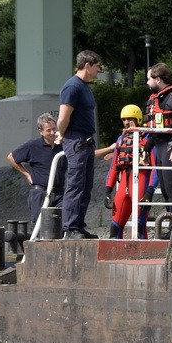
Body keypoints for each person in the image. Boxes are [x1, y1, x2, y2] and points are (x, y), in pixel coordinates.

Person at [56, 49, 102, 240]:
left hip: (85, 141)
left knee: (85, 184)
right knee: (75, 184)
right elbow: (63, 117)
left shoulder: (84, 86)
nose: (99, 71)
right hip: (76, 140)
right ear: (88, 65)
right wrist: (63, 134)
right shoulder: (72, 86)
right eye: (97, 67)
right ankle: (70, 227)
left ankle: (79, 225)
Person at [102, 105, 158, 239]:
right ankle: (115, 258)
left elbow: (156, 168)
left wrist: (150, 191)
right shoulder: (121, 140)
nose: (127, 123)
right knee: (115, 228)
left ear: (138, 119)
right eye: (124, 120)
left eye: (130, 119)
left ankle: (144, 258)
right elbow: (114, 166)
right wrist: (107, 190)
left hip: (141, 186)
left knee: (139, 227)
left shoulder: (148, 140)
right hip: (123, 187)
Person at [144, 63, 172, 222]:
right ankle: (171, 226)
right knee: (164, 188)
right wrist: (146, 148)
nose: (147, 83)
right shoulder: (158, 97)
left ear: (158, 80)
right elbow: (157, 128)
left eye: (149, 79)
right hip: (161, 146)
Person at [7, 112, 66, 221]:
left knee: (61, 225)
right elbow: (11, 157)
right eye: (48, 130)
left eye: (54, 129)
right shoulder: (33, 145)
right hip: (40, 193)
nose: (52, 132)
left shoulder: (63, 145)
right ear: (41, 132)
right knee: (40, 228)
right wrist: (27, 175)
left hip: (59, 193)